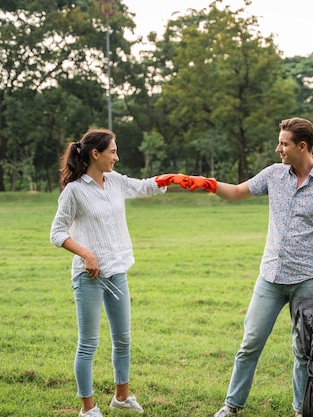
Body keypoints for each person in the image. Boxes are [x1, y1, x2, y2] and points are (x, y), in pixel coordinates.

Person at [189, 117, 313, 417]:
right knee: (250, 343)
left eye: (284, 143)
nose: (278, 149)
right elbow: (236, 192)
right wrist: (205, 183)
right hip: (270, 277)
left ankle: (301, 410)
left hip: (308, 279)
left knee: (303, 351)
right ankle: (231, 406)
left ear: (302, 146)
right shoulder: (274, 175)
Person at [49, 129, 190, 417]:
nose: (117, 156)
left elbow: (144, 186)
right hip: (88, 277)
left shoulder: (115, 182)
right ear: (95, 154)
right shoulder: (75, 190)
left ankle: (121, 397)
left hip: (117, 271)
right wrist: (86, 254)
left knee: (123, 339)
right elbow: (56, 233)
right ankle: (88, 409)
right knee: (88, 343)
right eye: (112, 151)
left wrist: (172, 178)